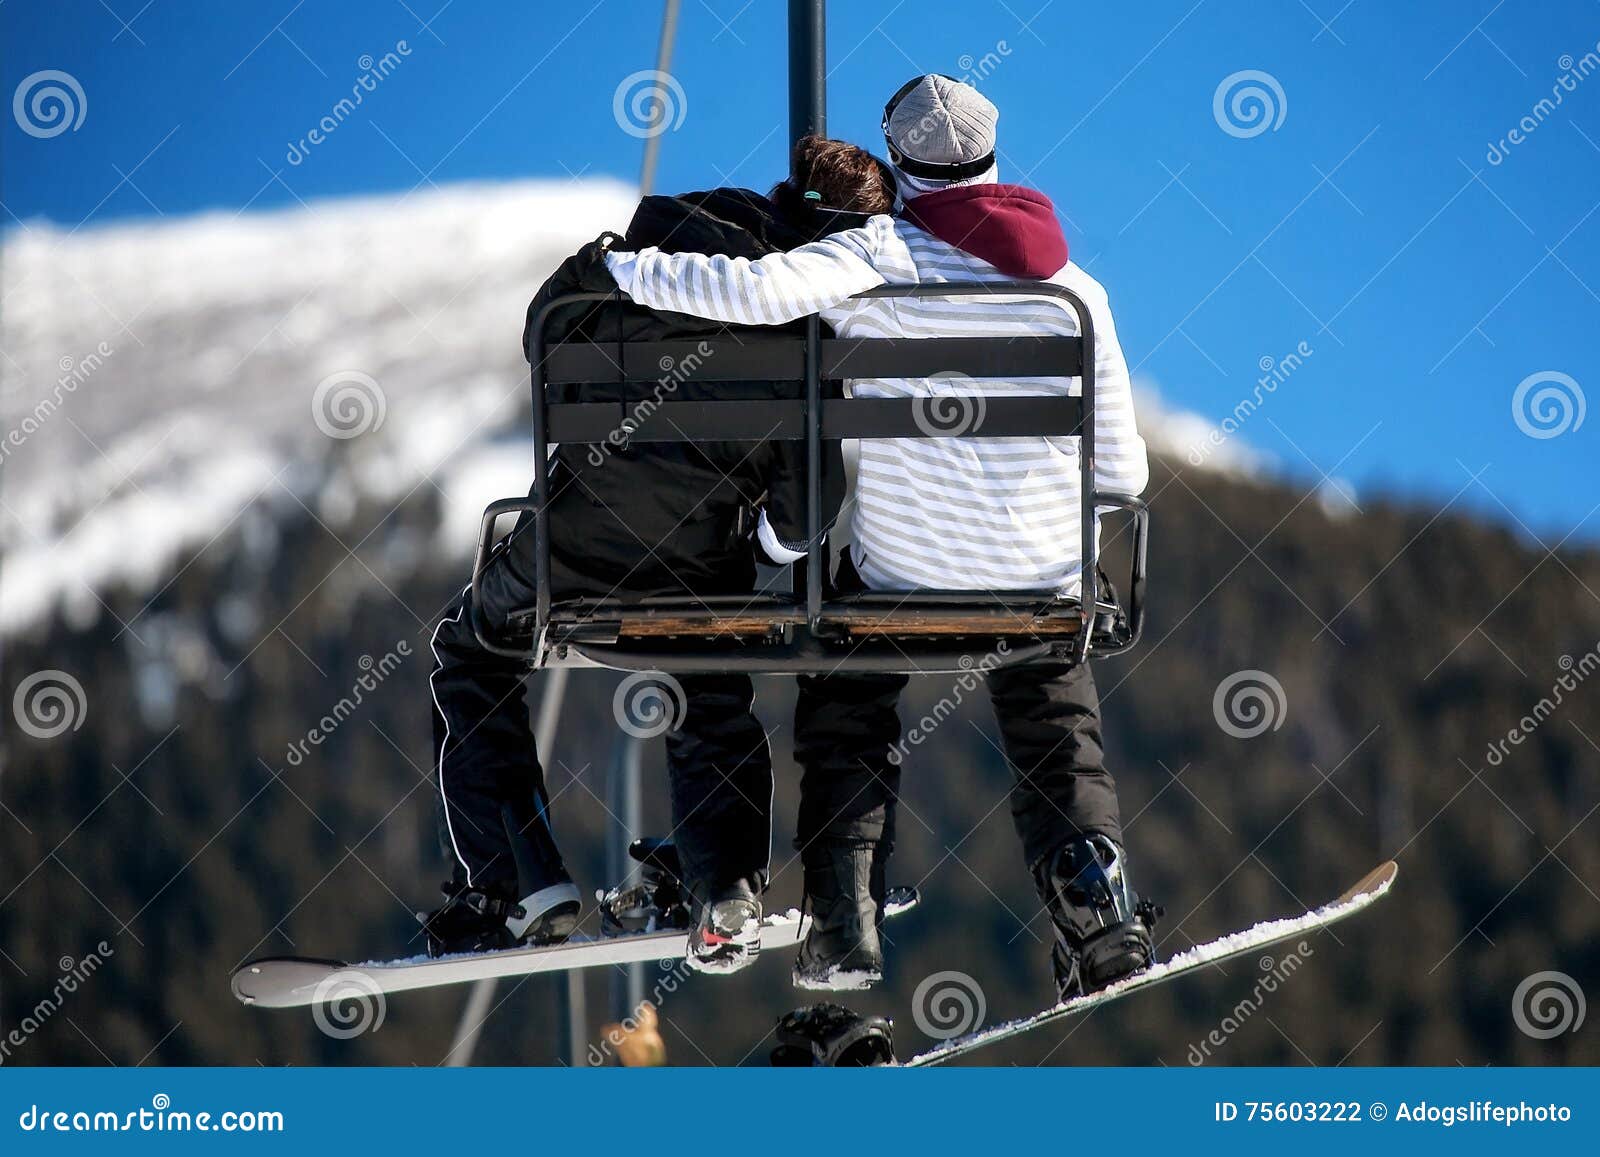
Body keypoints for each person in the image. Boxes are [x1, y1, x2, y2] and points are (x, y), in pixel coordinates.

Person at [603, 76, 1160, 1000]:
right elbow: (1125, 478)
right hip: (1038, 579)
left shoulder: (875, 254)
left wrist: (621, 267)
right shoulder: (1075, 292)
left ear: (898, 164)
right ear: (992, 156)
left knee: (846, 699)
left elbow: (746, 293)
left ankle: (845, 923)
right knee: (1053, 709)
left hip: (899, 578)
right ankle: (1096, 914)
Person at [421, 138, 897, 972]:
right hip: (695, 562)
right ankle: (727, 887)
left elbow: (544, 342)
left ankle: (517, 880)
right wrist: (760, 542)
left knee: (472, 653)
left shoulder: (632, 261)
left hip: (568, 546)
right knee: (708, 675)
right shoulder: (798, 333)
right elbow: (811, 511)